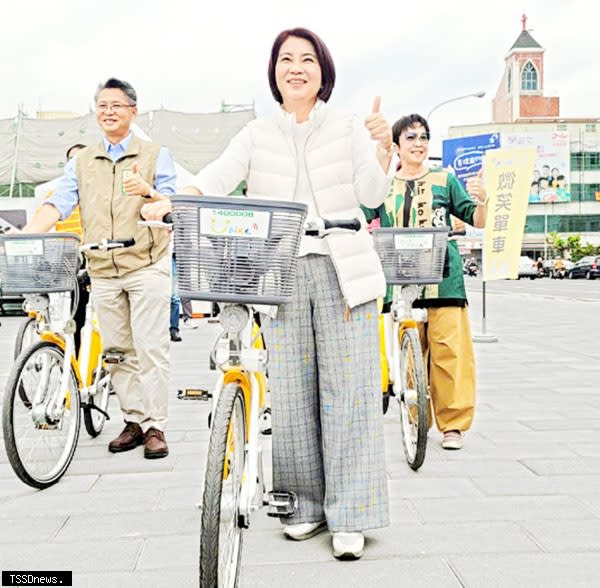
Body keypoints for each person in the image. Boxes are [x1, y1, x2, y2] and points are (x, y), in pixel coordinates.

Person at [143, 27, 393, 560]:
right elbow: (216, 177)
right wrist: (173, 202)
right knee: (293, 395)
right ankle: (302, 505)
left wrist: (382, 147)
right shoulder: (256, 133)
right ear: (274, 72)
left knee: (349, 393)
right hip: (277, 270)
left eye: (307, 59)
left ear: (323, 72)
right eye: (286, 59)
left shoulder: (348, 126)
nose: (296, 67)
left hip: (342, 267)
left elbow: (372, 195)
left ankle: (350, 515)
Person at [20, 78, 176, 459]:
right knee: (118, 350)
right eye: (102, 105)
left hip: (146, 263)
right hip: (103, 266)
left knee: (150, 347)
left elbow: (173, 204)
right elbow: (57, 204)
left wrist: (150, 195)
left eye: (117, 105)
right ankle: (135, 420)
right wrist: (26, 236)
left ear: (132, 112)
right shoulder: (83, 161)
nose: (108, 111)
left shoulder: (155, 154)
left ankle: (157, 426)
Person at [364, 113, 487, 451]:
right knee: (408, 358)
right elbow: (359, 216)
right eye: (411, 137)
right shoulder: (383, 185)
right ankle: (416, 418)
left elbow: (476, 219)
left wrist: (484, 198)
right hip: (398, 278)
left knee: (450, 353)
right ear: (397, 145)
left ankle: (453, 425)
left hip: (443, 279)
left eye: (423, 137)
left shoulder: (445, 179)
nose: (418, 143)